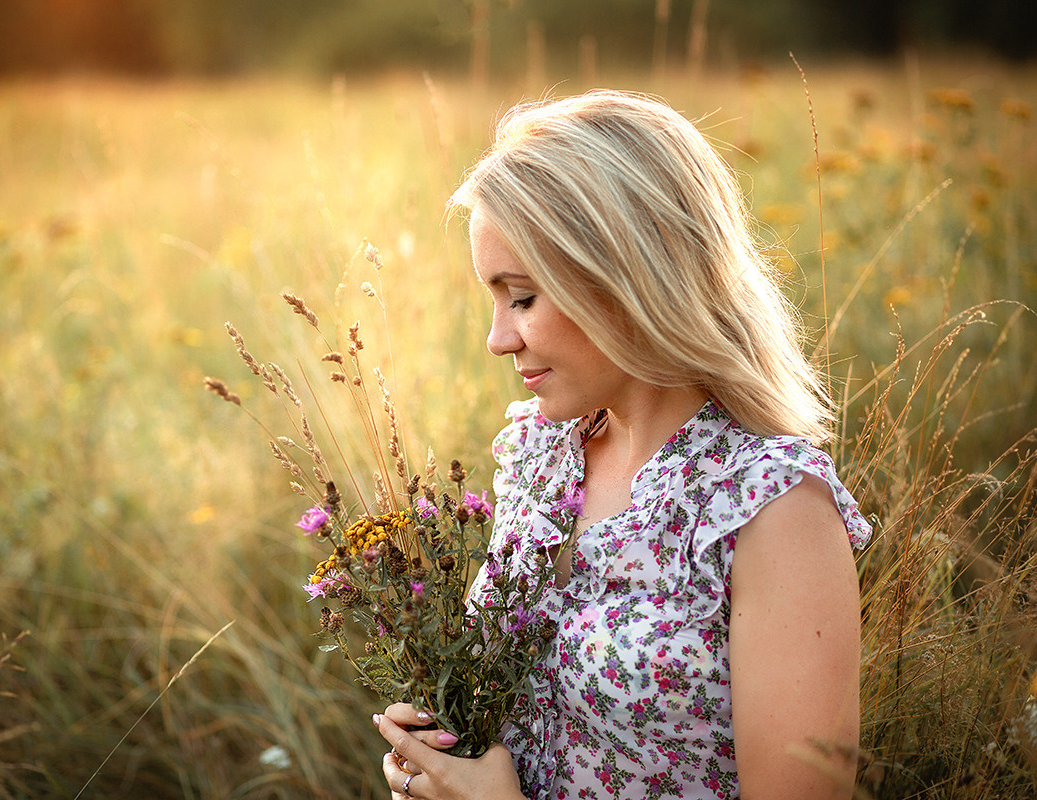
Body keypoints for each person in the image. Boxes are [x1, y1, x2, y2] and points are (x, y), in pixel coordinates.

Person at [373, 90, 870, 800]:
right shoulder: (540, 453)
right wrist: (444, 754)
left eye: (521, 297)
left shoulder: (769, 510)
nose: (497, 339)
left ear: (627, 280)